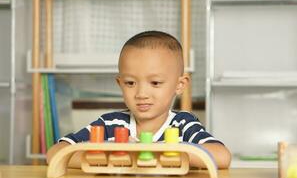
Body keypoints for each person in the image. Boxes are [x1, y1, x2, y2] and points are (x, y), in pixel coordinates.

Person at [47, 31, 231, 168]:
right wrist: (108, 156)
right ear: (120, 84)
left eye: (155, 82)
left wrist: (160, 153)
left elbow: (222, 157)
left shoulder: (184, 124)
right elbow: (55, 153)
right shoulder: (111, 124)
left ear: (180, 85)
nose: (141, 93)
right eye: (130, 83)